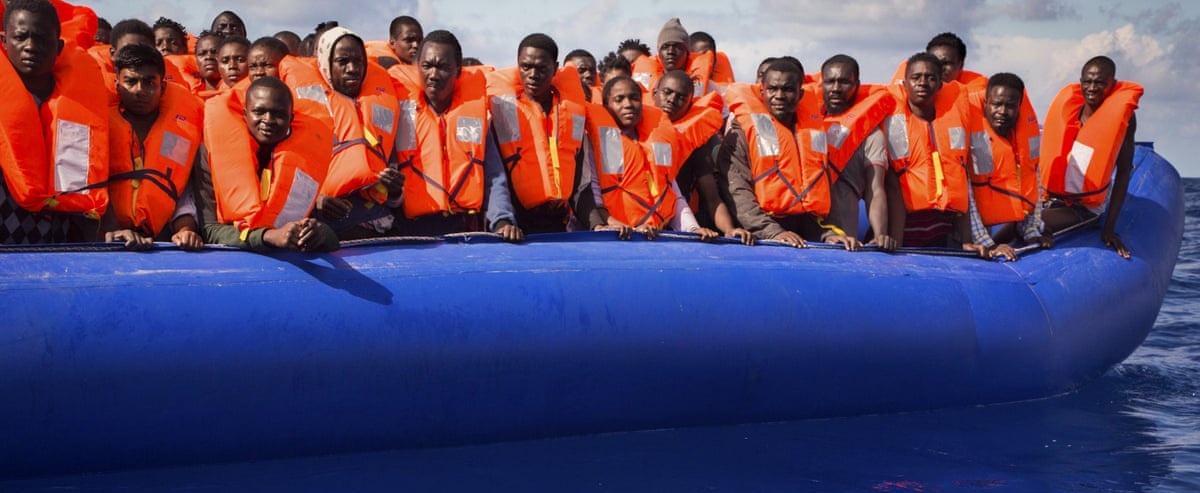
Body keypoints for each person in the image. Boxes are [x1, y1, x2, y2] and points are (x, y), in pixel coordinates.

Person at [0, 0, 117, 244]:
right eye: (21, 37)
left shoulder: (86, 103)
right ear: (4, 41)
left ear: (59, 46)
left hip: (61, 246)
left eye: (42, 39)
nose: (30, 47)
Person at [393, 30, 522, 241]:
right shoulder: (402, 116)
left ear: (458, 71)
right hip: (412, 232)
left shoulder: (477, 117)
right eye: (427, 66)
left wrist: (503, 221)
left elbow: (494, 177)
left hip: (464, 230)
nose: (433, 74)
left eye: (443, 67)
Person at [719, 60, 854, 249]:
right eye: (773, 89)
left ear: (801, 94)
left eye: (788, 89)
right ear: (762, 92)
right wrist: (773, 232)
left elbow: (822, 186)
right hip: (759, 231)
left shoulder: (814, 132)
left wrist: (829, 233)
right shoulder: (741, 132)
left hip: (807, 225)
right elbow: (736, 189)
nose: (779, 96)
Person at [195, 76, 338, 252]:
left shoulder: (307, 158)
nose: (268, 120)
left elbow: (331, 237)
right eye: (259, 112)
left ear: (291, 118)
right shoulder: (209, 153)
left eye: (279, 114)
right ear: (245, 114)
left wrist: (321, 233)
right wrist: (267, 236)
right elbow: (209, 230)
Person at [485, 33, 596, 234]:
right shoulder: (503, 113)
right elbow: (495, 177)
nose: (533, 74)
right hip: (514, 226)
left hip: (558, 224)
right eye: (526, 67)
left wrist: (599, 224)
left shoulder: (572, 115)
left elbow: (581, 183)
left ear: (555, 67)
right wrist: (503, 223)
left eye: (541, 68)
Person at [1040, 56, 1142, 259]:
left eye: (1100, 83)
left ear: (1112, 84)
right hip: (1052, 199)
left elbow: (1123, 172)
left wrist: (1109, 228)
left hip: (1084, 208)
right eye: (1087, 81)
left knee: (1028, 222)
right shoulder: (1069, 111)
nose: (1092, 88)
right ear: (1081, 82)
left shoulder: (1124, 118)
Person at [307, 27, 403, 239]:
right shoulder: (304, 113)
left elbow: (395, 200)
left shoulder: (383, 110)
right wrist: (317, 202)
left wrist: (395, 190)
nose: (352, 69)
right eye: (342, 62)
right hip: (322, 227)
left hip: (374, 224)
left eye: (358, 62)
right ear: (326, 64)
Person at [106, 44, 203, 249]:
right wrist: (114, 229)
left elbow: (180, 190)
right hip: (107, 236)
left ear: (163, 87)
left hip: (160, 239)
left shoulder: (178, 133)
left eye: (149, 82)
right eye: (131, 82)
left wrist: (185, 230)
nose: (140, 90)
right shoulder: (102, 128)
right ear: (117, 85)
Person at [883, 53, 980, 253]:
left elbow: (959, 177)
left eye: (930, 78)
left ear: (940, 84)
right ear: (905, 83)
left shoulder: (955, 118)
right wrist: (896, 245)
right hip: (905, 230)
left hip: (942, 230)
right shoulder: (890, 120)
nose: (923, 83)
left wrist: (966, 240)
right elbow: (893, 183)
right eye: (916, 77)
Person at [584, 76, 702, 239]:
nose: (628, 104)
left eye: (634, 98)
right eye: (619, 100)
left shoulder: (658, 139)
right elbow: (593, 193)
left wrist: (694, 229)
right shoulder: (594, 142)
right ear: (606, 105)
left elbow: (673, 193)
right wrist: (613, 224)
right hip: (613, 235)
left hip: (655, 235)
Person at [653, 69, 750, 244]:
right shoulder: (632, 130)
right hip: (638, 223)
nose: (672, 100)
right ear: (655, 92)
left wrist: (729, 230)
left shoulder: (695, 142)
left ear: (690, 103)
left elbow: (712, 198)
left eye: (681, 97)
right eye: (667, 92)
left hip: (680, 224)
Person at [964, 72, 1050, 261]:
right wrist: (989, 244)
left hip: (1006, 223)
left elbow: (1033, 181)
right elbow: (966, 194)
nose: (1002, 111)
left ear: (1020, 108)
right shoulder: (971, 137)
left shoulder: (1026, 140)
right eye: (996, 104)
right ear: (986, 103)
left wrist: (1031, 231)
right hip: (969, 230)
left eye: (1010, 106)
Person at [819, 54, 898, 251]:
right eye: (830, 82)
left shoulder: (871, 135)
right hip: (804, 232)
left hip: (843, 239)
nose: (836, 88)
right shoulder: (802, 126)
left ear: (857, 84)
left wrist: (880, 234)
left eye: (844, 82)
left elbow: (875, 189)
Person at [630, 18, 719, 99]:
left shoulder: (709, 87)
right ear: (659, 53)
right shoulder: (639, 83)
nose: (670, 51)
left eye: (677, 47)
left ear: (687, 53)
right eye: (665, 47)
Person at [890, 32, 986, 92]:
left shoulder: (978, 84)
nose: (938, 68)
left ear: (960, 65)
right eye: (933, 62)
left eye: (946, 63)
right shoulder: (910, 68)